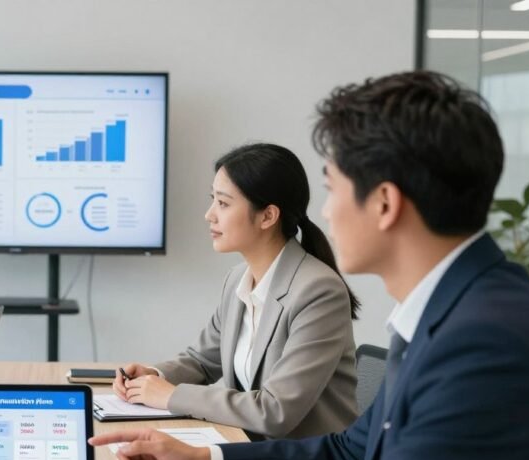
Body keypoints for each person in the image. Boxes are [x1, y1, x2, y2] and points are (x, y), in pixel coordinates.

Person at [92, 70, 529, 460]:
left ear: (385, 203)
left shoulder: (486, 342)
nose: (323, 211)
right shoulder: (452, 310)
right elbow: (349, 454)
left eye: (332, 189)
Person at [115, 143, 359, 438]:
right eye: (212, 200)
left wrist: (169, 396)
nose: (209, 215)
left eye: (223, 203)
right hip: (251, 449)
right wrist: (155, 377)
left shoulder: (318, 291)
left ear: (268, 216)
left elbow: (275, 411)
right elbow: (203, 360)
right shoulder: (237, 280)